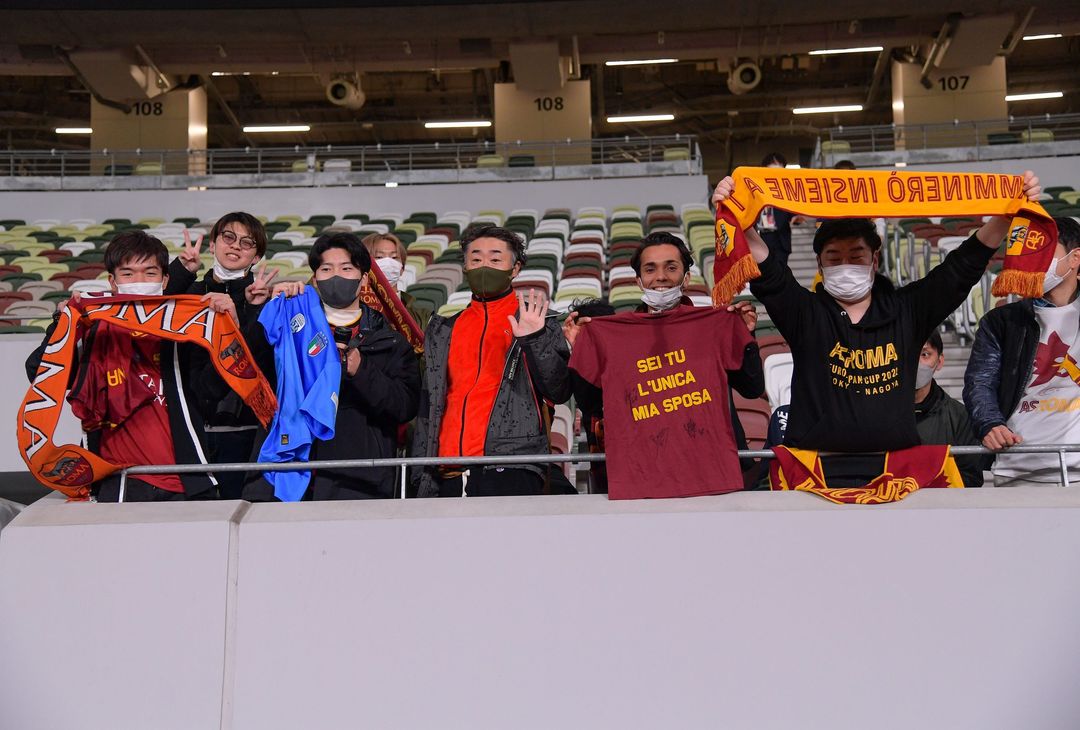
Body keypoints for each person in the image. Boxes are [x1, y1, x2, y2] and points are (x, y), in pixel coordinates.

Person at [712, 170, 1041, 486]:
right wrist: (736, 211)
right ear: (820, 266)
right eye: (834, 258)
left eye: (856, 256)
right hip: (815, 473)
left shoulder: (908, 310)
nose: (845, 266)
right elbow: (768, 269)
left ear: (875, 260)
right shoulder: (805, 314)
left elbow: (960, 269)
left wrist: (1005, 216)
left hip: (895, 474)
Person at [24, 231, 239, 502]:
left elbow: (213, 389)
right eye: (128, 274)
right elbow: (39, 372)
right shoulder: (93, 331)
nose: (140, 282)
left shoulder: (184, 332)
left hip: (185, 481)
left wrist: (231, 331)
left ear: (165, 280)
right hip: (116, 482)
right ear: (112, 282)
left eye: (150, 273)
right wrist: (63, 324)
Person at [240, 231, 421, 500]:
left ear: (363, 279)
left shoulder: (389, 341)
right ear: (315, 279)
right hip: (283, 475)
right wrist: (262, 311)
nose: (336, 276)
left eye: (346, 268)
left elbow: (404, 406)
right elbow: (251, 369)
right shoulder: (292, 327)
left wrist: (361, 370)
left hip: (356, 481)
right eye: (326, 269)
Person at [412, 223, 571, 498]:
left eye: (495, 259)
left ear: (515, 268)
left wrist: (533, 339)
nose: (484, 266)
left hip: (512, 465)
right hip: (445, 470)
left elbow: (559, 388)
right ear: (465, 266)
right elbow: (430, 404)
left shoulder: (539, 322)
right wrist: (420, 471)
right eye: (476, 259)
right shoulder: (444, 330)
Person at [965, 216, 1080, 487]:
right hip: (1019, 465)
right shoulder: (1001, 321)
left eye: (1045, 251)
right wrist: (990, 424)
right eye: (1031, 252)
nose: (1036, 261)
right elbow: (979, 383)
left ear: (1075, 258)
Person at [165, 212, 272, 499]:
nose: (235, 246)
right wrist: (182, 270)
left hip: (248, 430)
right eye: (228, 237)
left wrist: (241, 319)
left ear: (256, 257)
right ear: (213, 244)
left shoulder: (263, 299)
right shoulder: (190, 292)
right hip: (193, 427)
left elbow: (262, 365)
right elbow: (154, 314)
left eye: (247, 242)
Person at [914, 331, 983, 486]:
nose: (916, 363)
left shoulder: (959, 416)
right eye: (909, 354)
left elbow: (970, 477)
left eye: (925, 354)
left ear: (939, 362)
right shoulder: (878, 413)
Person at [563, 297, 616, 493]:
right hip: (600, 451)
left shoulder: (628, 356)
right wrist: (577, 347)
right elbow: (586, 401)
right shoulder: (577, 363)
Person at [755, 153, 795, 267]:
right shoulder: (755, 189)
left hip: (780, 239)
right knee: (760, 273)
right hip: (760, 237)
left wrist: (796, 217)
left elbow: (793, 212)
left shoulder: (788, 190)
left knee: (781, 273)